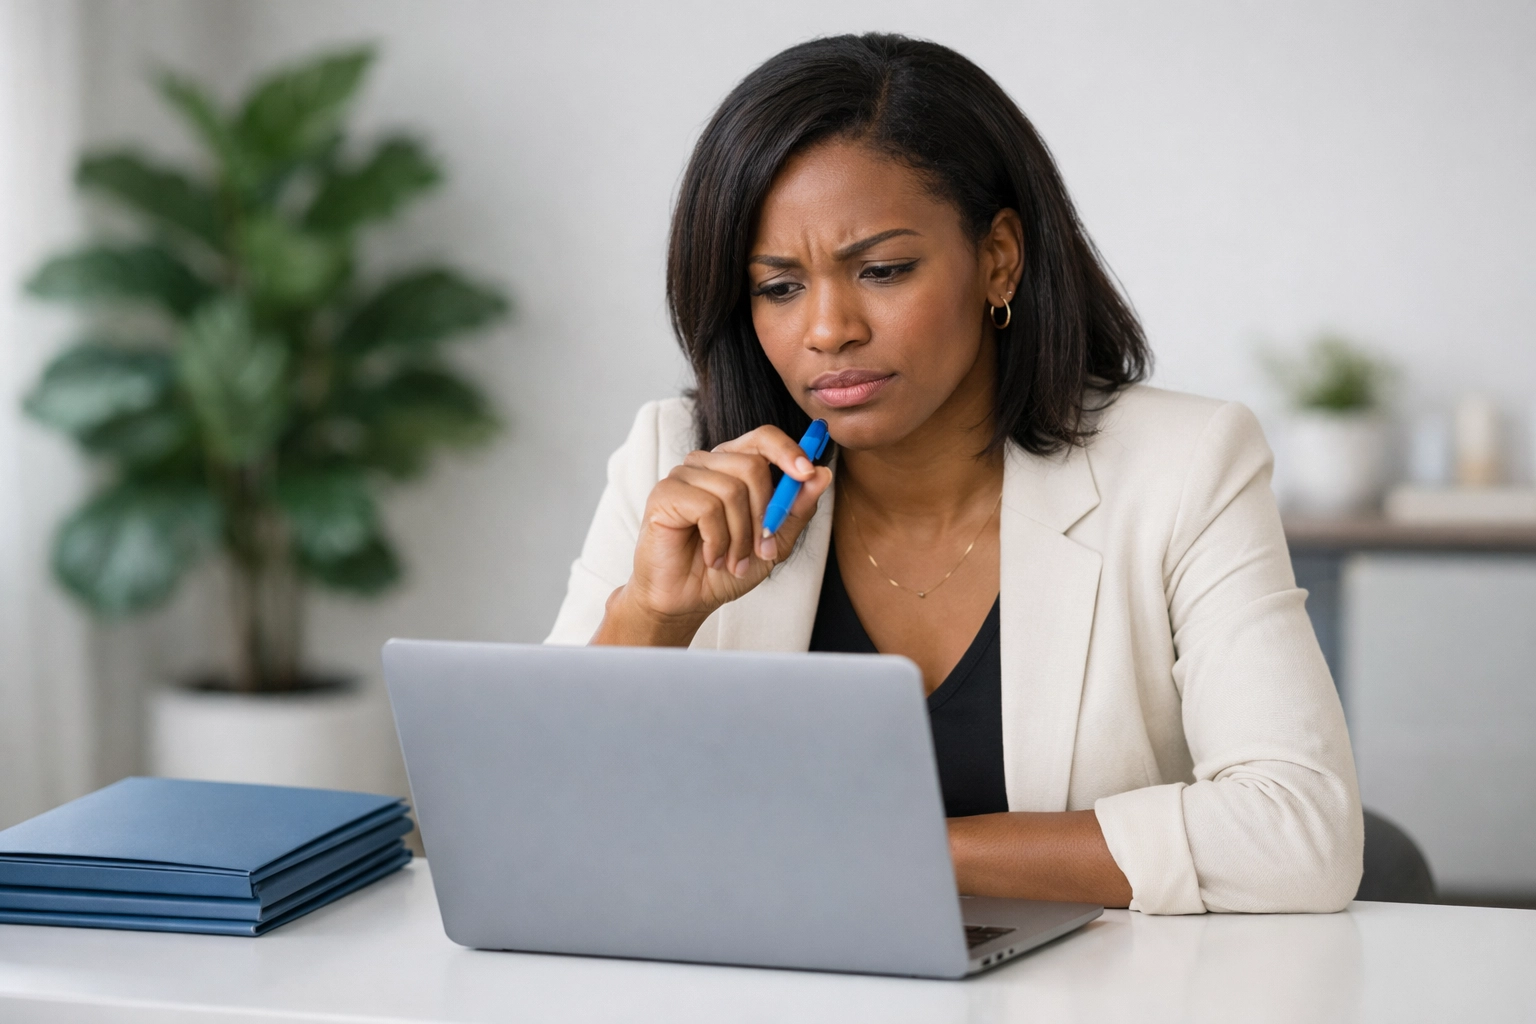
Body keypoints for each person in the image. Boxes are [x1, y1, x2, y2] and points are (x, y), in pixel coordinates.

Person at [547, 33, 1362, 914]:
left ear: (998, 259)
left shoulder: (1184, 467)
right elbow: (538, 826)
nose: (828, 330)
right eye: (778, 288)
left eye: (883, 270)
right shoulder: (677, 464)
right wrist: (652, 618)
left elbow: (1298, 832)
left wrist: (883, 851)